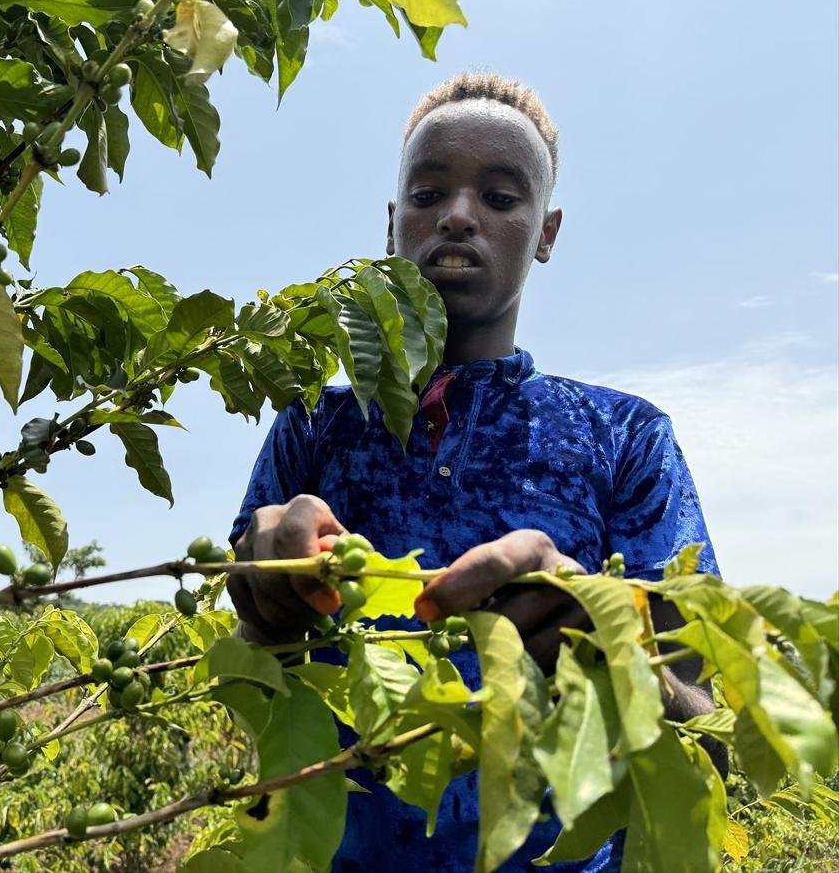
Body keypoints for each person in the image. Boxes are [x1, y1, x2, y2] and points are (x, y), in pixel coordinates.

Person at [228, 72, 721, 871]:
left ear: (547, 232)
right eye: (428, 192)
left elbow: (706, 738)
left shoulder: (624, 438)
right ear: (393, 225)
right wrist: (265, 601)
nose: (458, 215)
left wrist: (607, 644)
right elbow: (253, 685)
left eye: (500, 197)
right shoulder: (315, 428)